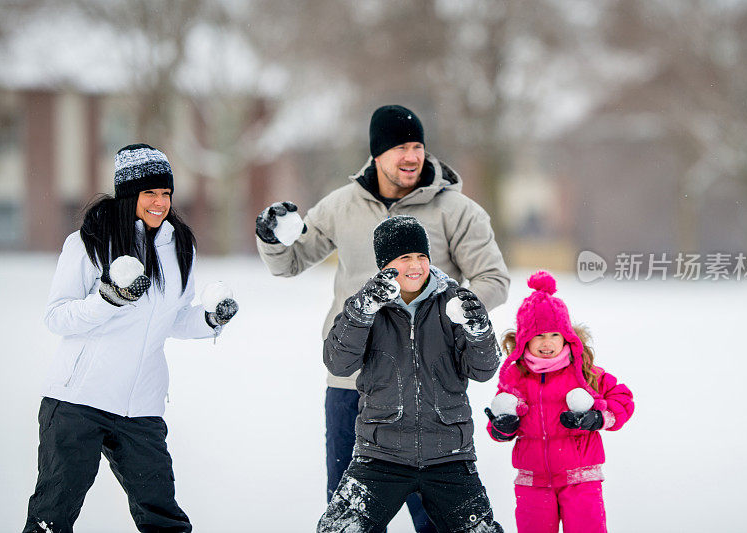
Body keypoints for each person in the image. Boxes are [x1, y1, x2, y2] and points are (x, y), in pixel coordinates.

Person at [255, 104, 510, 531]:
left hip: (429, 384)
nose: (411, 156)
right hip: (351, 382)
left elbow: (494, 279)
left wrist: (451, 314)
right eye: (400, 148)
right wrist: (272, 236)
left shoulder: (458, 211)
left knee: (436, 518)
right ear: (377, 154)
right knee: (349, 514)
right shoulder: (341, 206)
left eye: (417, 146)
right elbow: (290, 261)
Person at [23, 144, 238, 533]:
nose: (160, 203)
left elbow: (172, 319)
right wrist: (108, 299)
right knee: (51, 518)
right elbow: (56, 317)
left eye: (166, 194)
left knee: (163, 517)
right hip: (77, 402)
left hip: (141, 407)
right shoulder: (88, 242)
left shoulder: (180, 247)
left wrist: (209, 320)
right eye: (150, 194)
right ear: (129, 195)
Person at [318, 216, 504, 533]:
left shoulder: (454, 302)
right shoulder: (365, 305)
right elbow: (338, 363)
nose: (416, 265)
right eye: (404, 257)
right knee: (336, 529)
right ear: (385, 265)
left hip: (449, 455)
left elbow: (483, 370)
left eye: (421, 256)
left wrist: (479, 330)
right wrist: (360, 313)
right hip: (381, 454)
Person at [484, 271, 634, 533]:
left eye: (554, 335)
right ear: (524, 339)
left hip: (581, 479)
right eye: (538, 335)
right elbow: (500, 426)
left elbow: (623, 399)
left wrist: (598, 418)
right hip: (533, 483)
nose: (547, 343)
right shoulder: (515, 377)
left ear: (566, 336)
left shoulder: (584, 373)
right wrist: (501, 427)